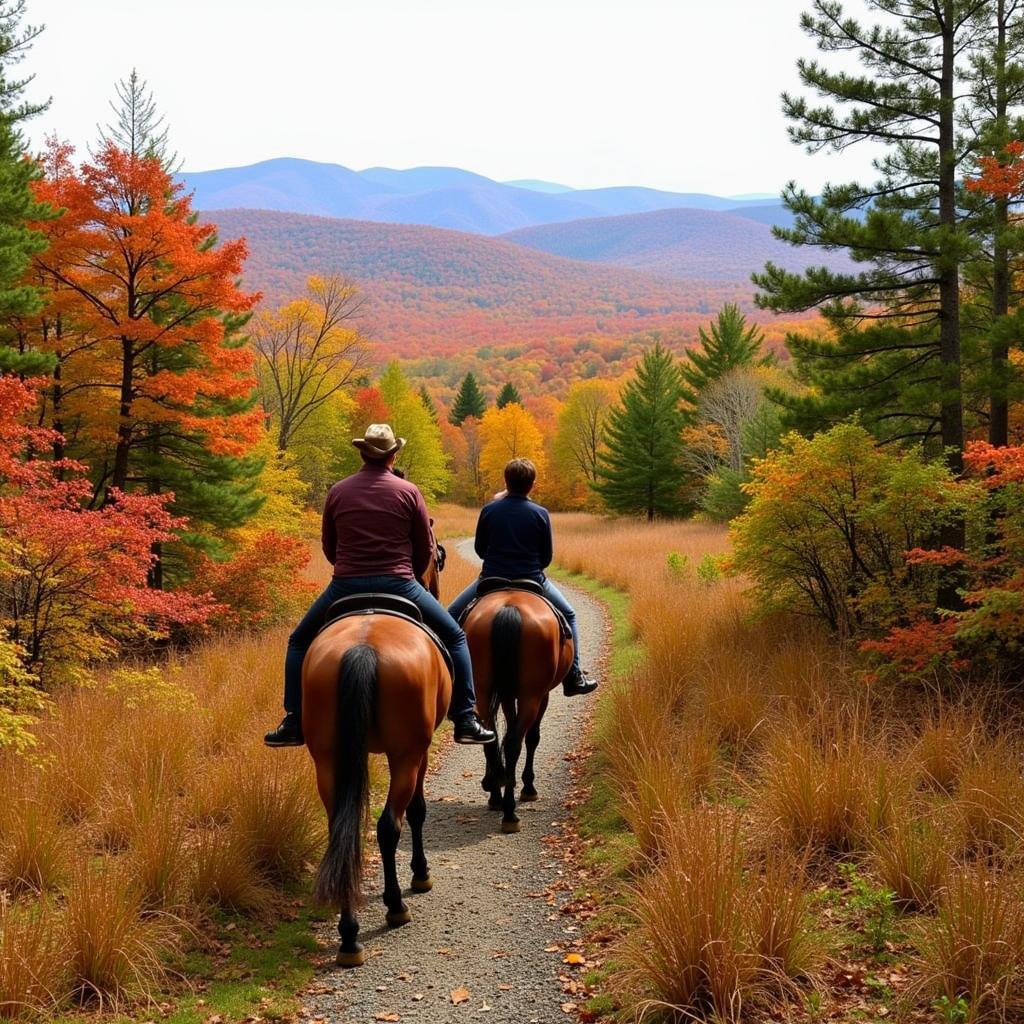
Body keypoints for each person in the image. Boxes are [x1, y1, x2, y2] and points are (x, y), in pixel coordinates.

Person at [264, 423, 496, 747]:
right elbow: (424, 549)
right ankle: (466, 718)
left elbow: (329, 547)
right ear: (393, 454)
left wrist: (349, 569)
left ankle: (293, 720)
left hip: (345, 586)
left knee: (299, 640)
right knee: (456, 636)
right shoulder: (409, 491)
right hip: (400, 584)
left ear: (362, 452)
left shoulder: (337, 491)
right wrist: (411, 577)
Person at [448, 458, 598, 697]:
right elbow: (546, 557)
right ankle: (574, 676)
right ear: (532, 485)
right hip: (532, 579)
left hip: (491, 579)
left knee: (452, 614)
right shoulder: (540, 513)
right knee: (569, 614)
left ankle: (450, 678)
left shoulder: (488, 510)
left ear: (505, 483)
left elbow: (479, 549)